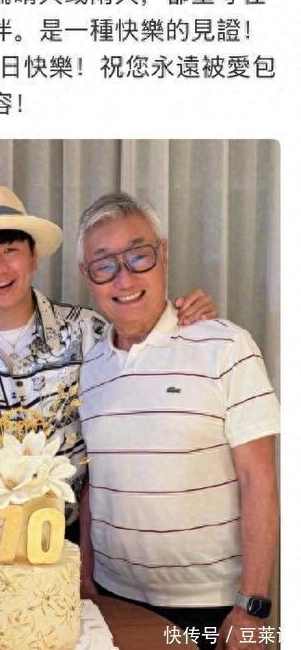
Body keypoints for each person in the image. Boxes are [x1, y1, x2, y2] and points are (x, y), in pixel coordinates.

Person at [0, 185, 216, 556]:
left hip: (84, 540)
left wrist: (186, 317)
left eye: (10, 251)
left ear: (34, 258)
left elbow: (145, 380)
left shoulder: (89, 332)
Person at [76, 192, 280, 650]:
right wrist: (87, 572)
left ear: (163, 254)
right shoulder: (91, 366)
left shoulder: (226, 347)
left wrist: (252, 604)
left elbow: (260, 480)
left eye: (138, 256)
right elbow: (97, 479)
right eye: (104, 264)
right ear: (87, 276)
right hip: (113, 597)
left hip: (212, 605)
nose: (124, 277)